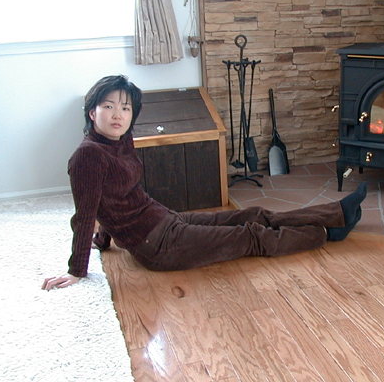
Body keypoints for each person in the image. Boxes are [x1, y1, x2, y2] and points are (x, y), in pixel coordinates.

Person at [41, 75, 366, 291]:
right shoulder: (87, 157)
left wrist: (105, 240)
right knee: (249, 237)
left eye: (125, 108)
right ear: (91, 111)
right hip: (157, 247)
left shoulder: (120, 140)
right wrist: (77, 269)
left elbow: (113, 198)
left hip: (166, 221)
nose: (118, 114)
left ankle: (336, 212)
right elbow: (85, 212)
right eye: (108, 106)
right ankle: (325, 232)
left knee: (252, 214)